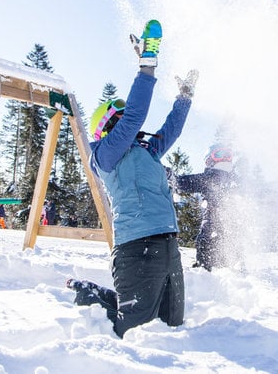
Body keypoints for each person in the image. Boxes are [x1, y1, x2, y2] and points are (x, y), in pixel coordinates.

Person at [66, 19, 197, 338]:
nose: (131, 123)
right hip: (136, 251)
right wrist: (148, 61)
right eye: (122, 119)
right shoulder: (105, 157)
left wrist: (185, 97)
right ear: (110, 125)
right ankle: (91, 299)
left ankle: (104, 300)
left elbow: (170, 131)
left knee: (170, 329)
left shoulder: (146, 152)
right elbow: (136, 115)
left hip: (168, 246)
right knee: (133, 334)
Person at [175, 144, 237, 271]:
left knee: (213, 250)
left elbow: (179, 183)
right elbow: (182, 183)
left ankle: (206, 270)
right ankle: (208, 269)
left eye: (228, 155)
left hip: (220, 231)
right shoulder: (210, 177)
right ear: (209, 160)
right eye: (219, 155)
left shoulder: (231, 179)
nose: (225, 158)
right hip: (217, 231)